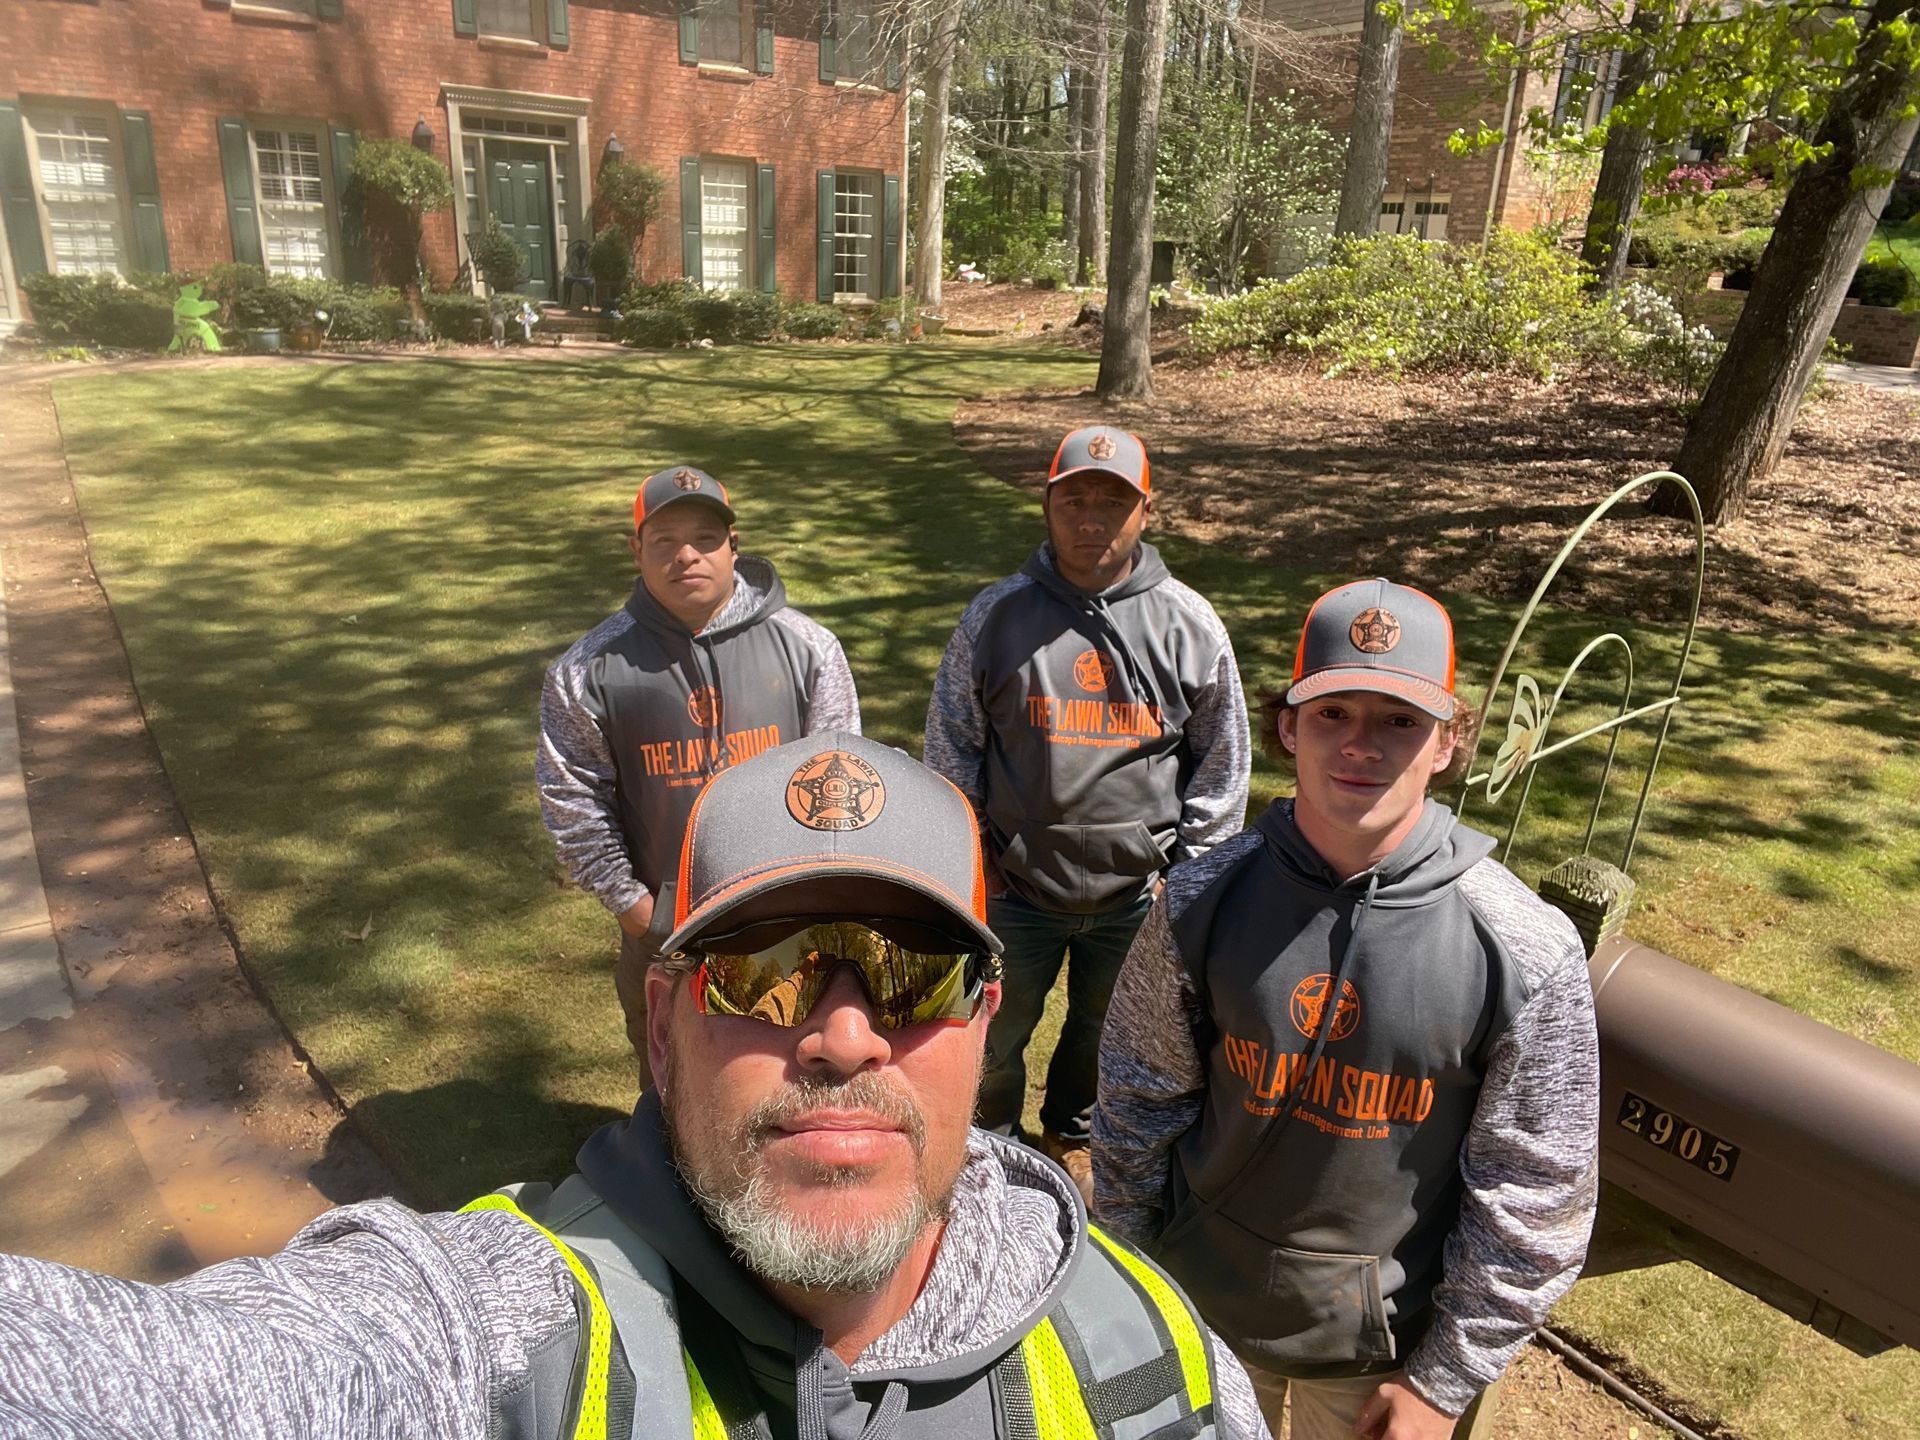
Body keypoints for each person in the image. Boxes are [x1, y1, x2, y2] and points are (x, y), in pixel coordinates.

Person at [0, 734, 1272, 1440]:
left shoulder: (1153, 1353)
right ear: (661, 1025)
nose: (841, 1035)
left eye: (913, 974)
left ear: (986, 1022)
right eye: (767, 973)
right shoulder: (498, 1336)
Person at [1093, 578, 1600, 1440]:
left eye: (1399, 720)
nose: (1360, 745)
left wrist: (1445, 1382)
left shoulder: (1522, 949)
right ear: (1288, 727)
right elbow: (1138, 1102)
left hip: (1381, 1362)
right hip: (1197, 1314)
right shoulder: (1199, 901)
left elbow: (1537, 1192)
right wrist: (1126, 1284)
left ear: (1447, 741)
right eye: (1333, 714)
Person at [924, 425, 1250, 1195]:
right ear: (1048, 503)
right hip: (1015, 890)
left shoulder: (1189, 622)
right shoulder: (996, 616)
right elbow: (952, 745)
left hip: (1138, 896)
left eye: (1113, 501)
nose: (1091, 517)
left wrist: (1190, 885)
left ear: (1146, 511)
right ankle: (988, 1139)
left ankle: (1072, 1129)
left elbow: (1222, 764)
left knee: (1107, 1032)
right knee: (993, 1033)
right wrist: (973, 860)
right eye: (1075, 498)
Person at [537, 465, 860, 1069]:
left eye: (705, 538)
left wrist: (816, 898)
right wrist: (635, 908)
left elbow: (843, 784)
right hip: (662, 932)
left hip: (786, 923)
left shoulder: (809, 648)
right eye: (664, 540)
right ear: (636, 549)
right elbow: (571, 796)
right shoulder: (588, 669)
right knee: (669, 1079)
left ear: (733, 545)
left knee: (782, 1075)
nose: (686, 555)